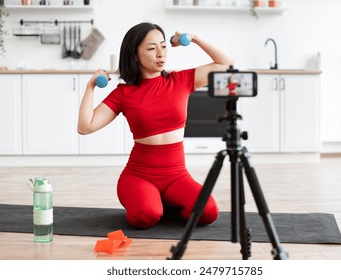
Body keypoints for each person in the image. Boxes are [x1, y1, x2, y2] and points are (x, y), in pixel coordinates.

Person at [78, 22, 234, 229]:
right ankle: (151, 203)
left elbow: (227, 65)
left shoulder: (181, 79)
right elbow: (85, 126)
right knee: (146, 217)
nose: (160, 53)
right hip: (139, 176)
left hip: (177, 176)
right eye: (152, 48)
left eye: (163, 46)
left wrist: (194, 38)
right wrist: (90, 87)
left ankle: (164, 202)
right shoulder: (124, 93)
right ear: (134, 55)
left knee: (208, 213)